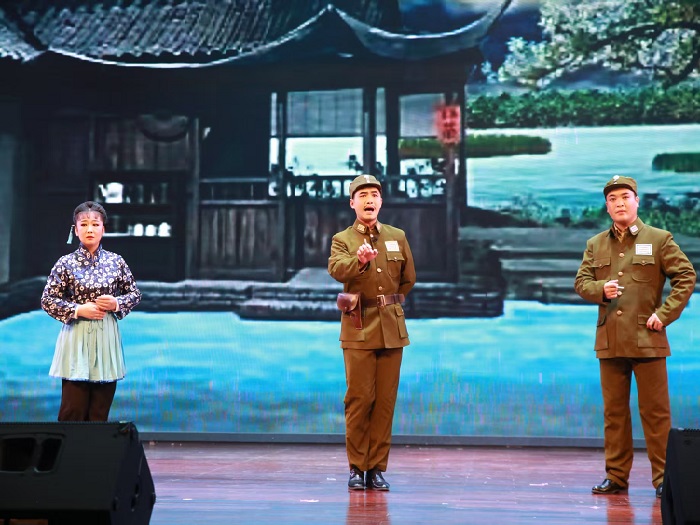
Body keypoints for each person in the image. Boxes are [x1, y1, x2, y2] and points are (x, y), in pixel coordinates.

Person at [574, 175, 696, 498]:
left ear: (637, 201)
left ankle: (664, 479)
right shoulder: (595, 244)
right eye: (612, 199)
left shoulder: (659, 239)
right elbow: (581, 283)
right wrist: (601, 289)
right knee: (614, 414)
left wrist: (665, 314)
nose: (619, 203)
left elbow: (686, 276)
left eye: (625, 197)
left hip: (648, 338)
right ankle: (616, 476)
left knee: (656, 414)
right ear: (607, 206)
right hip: (610, 339)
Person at [328, 174, 416, 491]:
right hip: (359, 326)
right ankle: (357, 467)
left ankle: (376, 469)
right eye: (363, 195)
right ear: (352, 203)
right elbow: (336, 269)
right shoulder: (342, 239)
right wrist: (361, 262)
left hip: (392, 328)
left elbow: (408, 278)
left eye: (374, 195)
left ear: (381, 201)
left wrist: (389, 303)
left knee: (385, 402)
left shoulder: (397, 236)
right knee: (359, 399)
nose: (369, 200)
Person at [41, 201, 142, 422]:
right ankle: (69, 445)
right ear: (75, 230)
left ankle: (96, 445)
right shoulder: (65, 263)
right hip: (76, 334)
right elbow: (48, 300)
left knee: (99, 411)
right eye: (84, 224)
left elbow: (134, 294)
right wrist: (78, 309)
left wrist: (116, 303)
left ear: (103, 229)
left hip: (106, 336)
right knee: (73, 409)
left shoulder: (116, 262)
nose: (90, 229)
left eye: (95, 224)